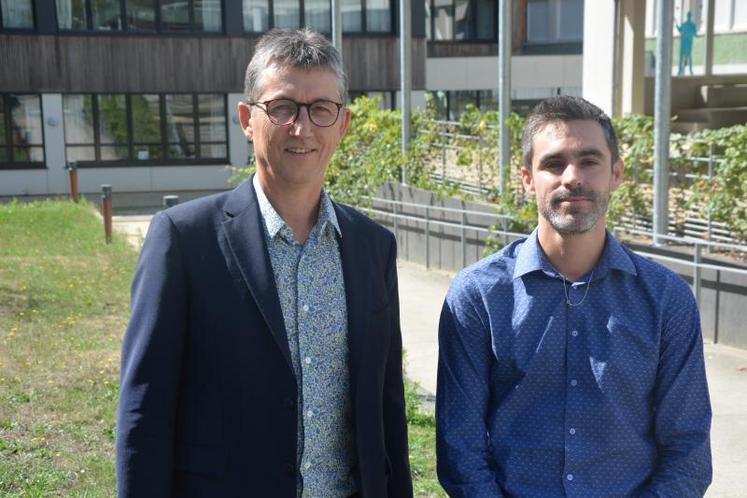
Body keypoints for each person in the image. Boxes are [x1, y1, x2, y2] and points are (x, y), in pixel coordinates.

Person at [116, 28, 413, 498]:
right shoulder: (183, 238)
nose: (303, 127)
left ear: (343, 124)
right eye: (282, 108)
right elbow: (144, 411)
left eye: (321, 109)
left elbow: (386, 409)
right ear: (247, 119)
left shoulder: (373, 246)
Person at [436, 96, 712, 497]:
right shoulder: (478, 296)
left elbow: (688, 451)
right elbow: (460, 446)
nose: (572, 177)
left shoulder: (666, 299)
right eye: (553, 163)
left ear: (615, 173)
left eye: (589, 161)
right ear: (528, 178)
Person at [677, 11, 699, 76]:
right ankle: (686, 70)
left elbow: (680, 30)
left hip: (685, 42)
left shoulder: (687, 25)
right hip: (687, 42)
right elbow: (695, 34)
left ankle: (682, 70)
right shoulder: (691, 25)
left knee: (684, 56)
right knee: (688, 56)